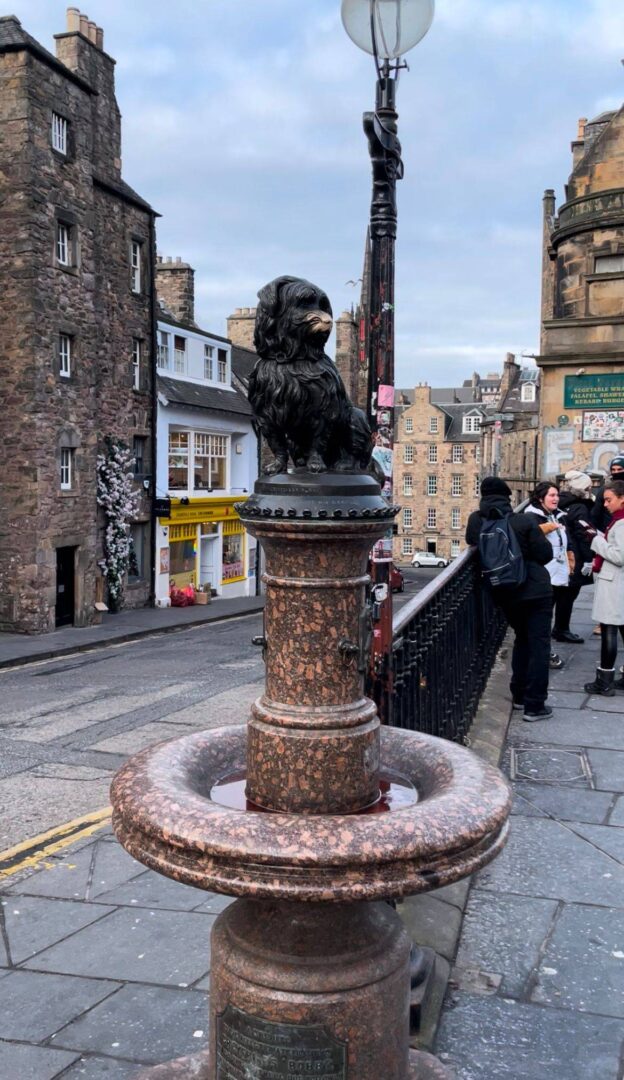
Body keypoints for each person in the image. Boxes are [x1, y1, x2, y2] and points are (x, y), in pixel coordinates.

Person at [466, 477, 554, 721]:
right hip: (536, 590)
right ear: (508, 497)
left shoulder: (476, 521)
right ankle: (535, 705)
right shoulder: (523, 520)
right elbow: (545, 555)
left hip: (504, 592)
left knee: (522, 639)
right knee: (539, 645)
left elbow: (472, 541)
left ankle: (519, 695)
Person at [525, 481, 584, 644]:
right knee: (541, 616)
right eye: (552, 495)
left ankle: (552, 640)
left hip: (558, 571)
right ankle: (541, 649)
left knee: (552, 610)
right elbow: (532, 539)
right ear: (540, 498)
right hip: (544, 573)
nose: (556, 498)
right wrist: (547, 528)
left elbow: (566, 539)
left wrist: (570, 556)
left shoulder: (557, 514)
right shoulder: (531, 516)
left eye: (557, 495)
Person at [581, 480, 624, 695]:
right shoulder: (618, 520)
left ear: (622, 498)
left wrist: (595, 540)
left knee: (609, 629)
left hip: (615, 583)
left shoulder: (622, 523)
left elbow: (619, 556)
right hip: (617, 583)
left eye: (609, 499)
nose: (605, 504)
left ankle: (604, 681)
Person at [555, 471, 597, 641]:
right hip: (575, 556)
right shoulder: (580, 507)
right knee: (569, 595)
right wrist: (588, 559)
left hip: (560, 553)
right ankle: (562, 629)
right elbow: (583, 535)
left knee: (559, 593)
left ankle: (559, 628)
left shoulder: (560, 502)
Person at [592, 455, 624, 531]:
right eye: (613, 470)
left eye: (620, 469)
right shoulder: (605, 490)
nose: (616, 472)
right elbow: (596, 514)